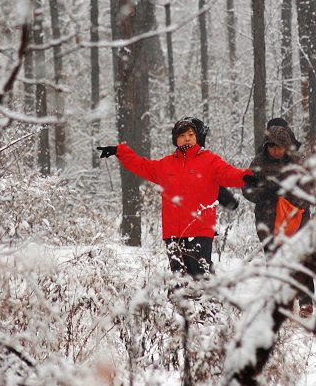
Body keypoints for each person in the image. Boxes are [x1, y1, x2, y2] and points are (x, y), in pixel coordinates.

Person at [97, 117, 253, 279]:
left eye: (191, 134)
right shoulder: (165, 164)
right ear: (175, 139)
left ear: (197, 137)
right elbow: (141, 165)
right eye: (182, 135)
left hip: (199, 229)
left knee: (201, 278)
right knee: (179, 279)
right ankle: (182, 304)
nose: (187, 138)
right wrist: (119, 151)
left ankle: (208, 303)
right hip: (173, 233)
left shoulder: (210, 161)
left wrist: (246, 177)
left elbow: (229, 174)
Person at [242, 117, 315, 317]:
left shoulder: (298, 162)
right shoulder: (258, 162)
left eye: (280, 146)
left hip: (296, 219)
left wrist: (287, 196)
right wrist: (265, 193)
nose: (276, 150)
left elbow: (308, 190)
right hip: (267, 219)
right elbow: (247, 188)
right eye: (272, 146)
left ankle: (305, 302)